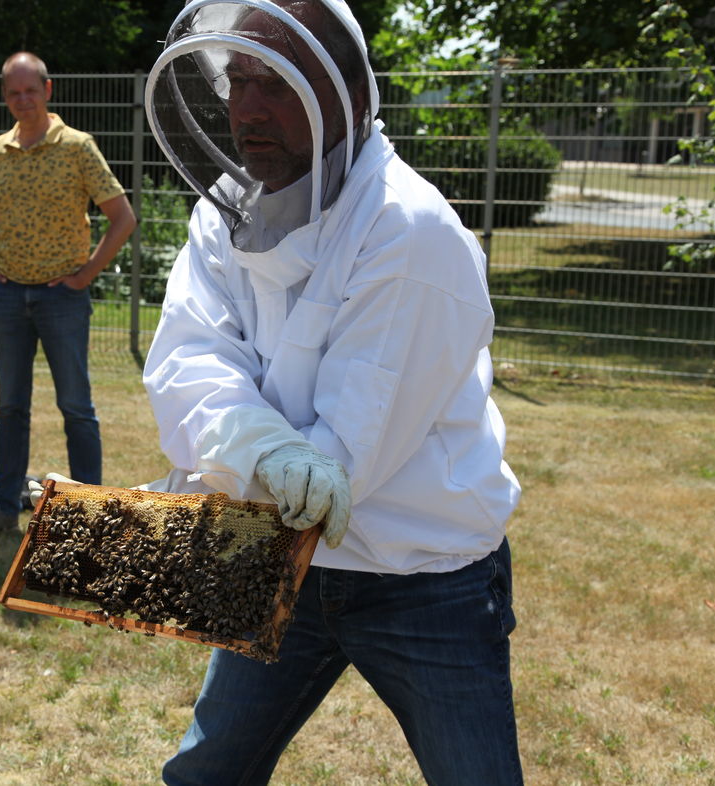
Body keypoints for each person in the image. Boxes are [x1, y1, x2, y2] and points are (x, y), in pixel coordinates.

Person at [140, 1, 524, 783]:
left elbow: (345, 452)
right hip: (287, 563)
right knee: (206, 774)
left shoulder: (408, 231)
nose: (247, 108)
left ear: (346, 94)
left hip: (425, 577)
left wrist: (198, 517)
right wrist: (257, 449)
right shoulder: (225, 215)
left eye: (276, 84)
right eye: (238, 81)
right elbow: (192, 360)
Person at [0, 52, 136, 538]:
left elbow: (122, 218)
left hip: (62, 297)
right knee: (10, 408)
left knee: (76, 407)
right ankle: (3, 509)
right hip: (9, 296)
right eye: (13, 93)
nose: (22, 100)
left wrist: (85, 277)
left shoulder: (78, 147)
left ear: (48, 90)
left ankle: (88, 514)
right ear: (5, 97)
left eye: (30, 91)